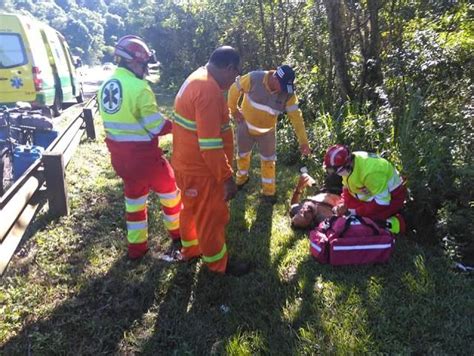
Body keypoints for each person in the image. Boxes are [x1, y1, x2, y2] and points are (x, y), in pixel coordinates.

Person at [98, 35, 181, 259]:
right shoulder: (139, 87)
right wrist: (175, 125)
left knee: (134, 202)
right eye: (145, 64)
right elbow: (155, 126)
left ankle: (137, 248)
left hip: (120, 159)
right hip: (144, 159)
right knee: (171, 193)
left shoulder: (106, 85)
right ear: (134, 62)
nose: (146, 69)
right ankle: (179, 236)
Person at [172, 46, 250, 276]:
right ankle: (217, 265)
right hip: (201, 170)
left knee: (190, 209)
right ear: (229, 68)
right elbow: (210, 145)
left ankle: (191, 249)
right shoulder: (207, 89)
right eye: (235, 74)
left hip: (186, 165)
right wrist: (226, 178)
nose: (234, 80)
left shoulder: (198, 78)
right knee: (210, 216)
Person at [227, 65, 311, 202]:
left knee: (269, 161)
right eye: (282, 86)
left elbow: (296, 117)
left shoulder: (288, 94)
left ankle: (269, 192)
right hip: (245, 126)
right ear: (275, 78)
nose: (283, 91)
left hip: (267, 133)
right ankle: (241, 180)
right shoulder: (254, 78)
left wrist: (303, 142)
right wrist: (234, 110)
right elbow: (233, 90)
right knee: (242, 156)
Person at [324, 144, 407, 233]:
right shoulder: (351, 162)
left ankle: (397, 223)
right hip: (370, 195)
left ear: (346, 166)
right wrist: (343, 203)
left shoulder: (371, 173)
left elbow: (383, 202)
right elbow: (347, 186)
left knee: (364, 221)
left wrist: (356, 212)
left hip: (392, 198)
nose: (336, 174)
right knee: (347, 214)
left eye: (337, 171)